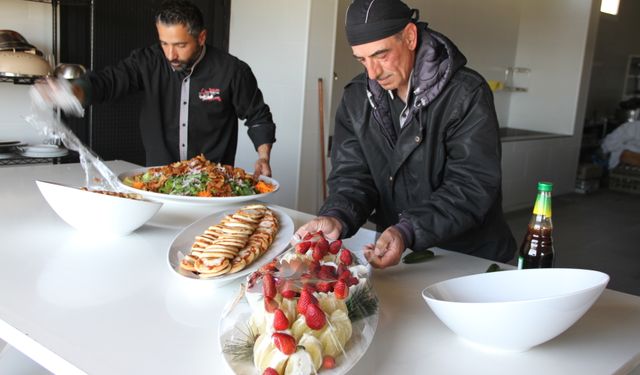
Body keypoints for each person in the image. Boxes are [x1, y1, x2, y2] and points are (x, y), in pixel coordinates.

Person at [295, 0, 516, 268]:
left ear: (410, 37)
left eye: (380, 55)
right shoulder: (356, 98)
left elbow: (471, 185)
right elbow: (353, 177)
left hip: (469, 255)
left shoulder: (466, 94)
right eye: (362, 60)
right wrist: (337, 216)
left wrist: (408, 229)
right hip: (397, 251)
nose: (372, 73)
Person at [36, 0, 276, 175]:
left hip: (213, 184)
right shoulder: (147, 61)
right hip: (159, 180)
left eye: (180, 45)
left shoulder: (232, 71)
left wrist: (263, 157)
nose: (171, 54)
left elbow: (258, 117)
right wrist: (73, 91)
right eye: (164, 43)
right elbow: (108, 82)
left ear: (201, 37)